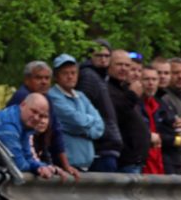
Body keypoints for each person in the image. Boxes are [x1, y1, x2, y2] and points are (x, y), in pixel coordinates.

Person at [7, 61, 79, 179]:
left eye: (47, 78)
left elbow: (56, 131)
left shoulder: (46, 98)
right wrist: (37, 165)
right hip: (23, 157)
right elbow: (22, 135)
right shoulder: (23, 97)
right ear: (27, 80)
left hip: (38, 156)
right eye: (38, 78)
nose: (44, 82)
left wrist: (66, 166)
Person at [47, 54, 104, 172]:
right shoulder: (53, 96)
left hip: (86, 163)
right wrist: (90, 123)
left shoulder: (81, 96)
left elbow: (100, 126)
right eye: (65, 73)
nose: (70, 76)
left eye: (73, 73)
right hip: (66, 164)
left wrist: (83, 130)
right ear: (56, 76)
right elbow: (79, 121)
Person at [78, 40, 123, 173]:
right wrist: (99, 133)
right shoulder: (88, 76)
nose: (103, 59)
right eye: (99, 55)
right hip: (100, 146)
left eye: (106, 56)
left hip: (106, 143)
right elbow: (83, 109)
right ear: (90, 56)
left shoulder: (100, 77)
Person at [106, 49, 150, 174]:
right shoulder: (107, 89)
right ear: (109, 65)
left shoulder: (125, 89)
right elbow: (117, 115)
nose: (123, 68)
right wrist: (132, 95)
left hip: (137, 159)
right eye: (119, 64)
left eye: (127, 65)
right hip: (124, 159)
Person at [139, 66, 165, 175]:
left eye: (154, 79)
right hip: (141, 161)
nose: (151, 83)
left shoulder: (158, 105)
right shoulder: (135, 104)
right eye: (146, 79)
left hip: (156, 159)